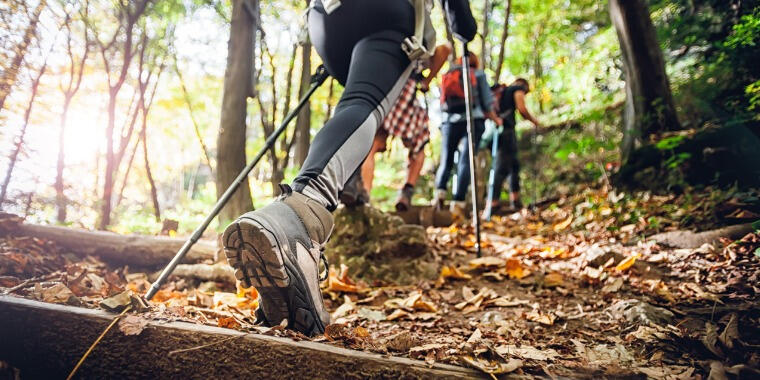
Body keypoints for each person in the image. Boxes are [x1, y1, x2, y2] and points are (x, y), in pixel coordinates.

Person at [221, 0, 477, 336]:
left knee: (353, 103)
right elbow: (461, 24)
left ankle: (289, 283)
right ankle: (301, 216)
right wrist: (464, 29)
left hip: (325, 20)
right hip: (386, 14)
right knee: (363, 103)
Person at [351, 44, 451, 211]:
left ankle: (364, 195)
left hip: (381, 92)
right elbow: (445, 49)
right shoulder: (416, 40)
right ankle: (406, 191)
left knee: (371, 145)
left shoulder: (381, 44)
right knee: (419, 145)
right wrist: (426, 81)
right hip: (405, 94)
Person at [432, 52, 501, 216]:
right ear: (475, 62)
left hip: (449, 122)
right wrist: (497, 120)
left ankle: (439, 195)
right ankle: (458, 203)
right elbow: (487, 103)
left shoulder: (449, 74)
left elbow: (441, 103)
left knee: (446, 159)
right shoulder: (478, 74)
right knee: (466, 160)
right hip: (473, 120)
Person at [488, 78, 541, 212]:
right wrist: (534, 121)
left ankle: (515, 201)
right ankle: (493, 204)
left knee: (513, 165)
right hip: (505, 131)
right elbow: (521, 108)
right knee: (501, 167)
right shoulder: (517, 89)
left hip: (497, 132)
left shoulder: (503, 91)